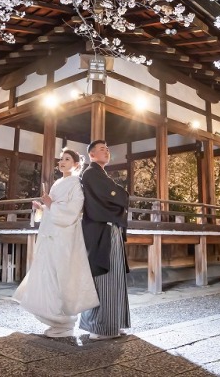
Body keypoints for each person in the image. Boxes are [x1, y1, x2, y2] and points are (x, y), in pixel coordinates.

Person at [13, 148, 100, 337]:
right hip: (52, 234)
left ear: (76, 164)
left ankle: (65, 323)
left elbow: (74, 209)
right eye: (61, 159)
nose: (62, 162)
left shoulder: (76, 183)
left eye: (67, 159)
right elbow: (52, 208)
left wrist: (50, 205)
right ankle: (55, 320)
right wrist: (42, 207)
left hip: (65, 235)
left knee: (62, 275)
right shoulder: (57, 183)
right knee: (48, 273)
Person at [79, 140, 131, 341]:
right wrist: (120, 197)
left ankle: (113, 324)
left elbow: (120, 196)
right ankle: (99, 328)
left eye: (108, 149)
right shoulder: (91, 173)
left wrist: (120, 197)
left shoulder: (100, 174)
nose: (106, 152)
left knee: (115, 277)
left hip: (109, 228)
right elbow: (117, 196)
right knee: (103, 278)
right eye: (102, 149)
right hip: (100, 230)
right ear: (91, 155)